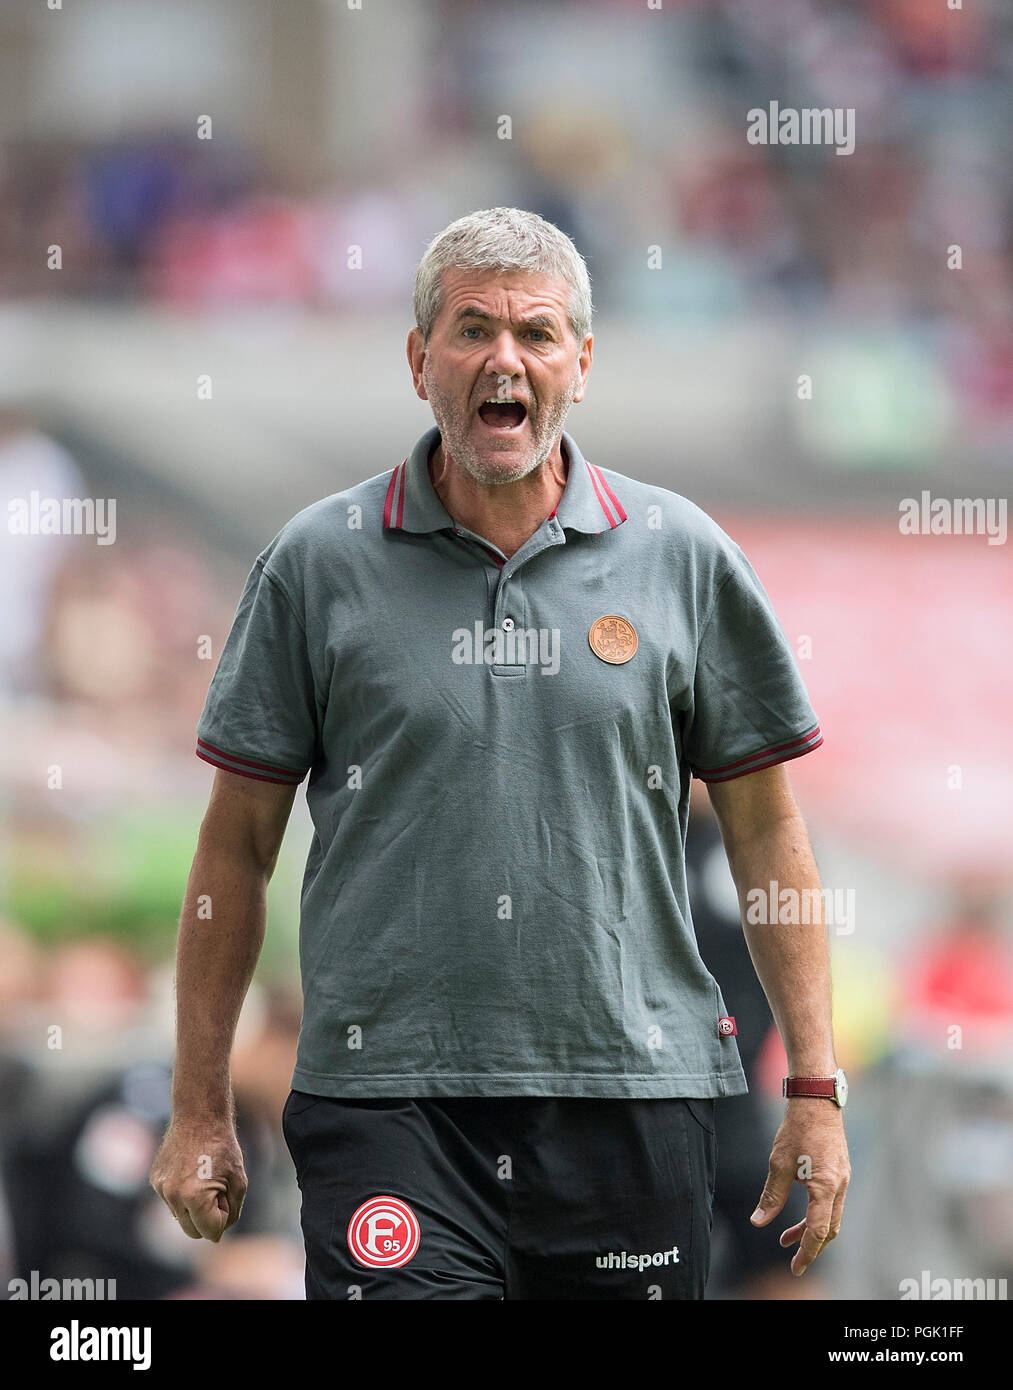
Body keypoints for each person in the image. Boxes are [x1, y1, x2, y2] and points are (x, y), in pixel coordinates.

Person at [150, 207, 850, 1300]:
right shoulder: (314, 565)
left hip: (633, 1097)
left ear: (581, 361)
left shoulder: (682, 557)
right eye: (471, 330)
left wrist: (813, 1082)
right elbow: (235, 846)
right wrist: (198, 1106)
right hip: (388, 1099)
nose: (502, 359)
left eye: (534, 333)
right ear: (419, 357)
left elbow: (766, 829)